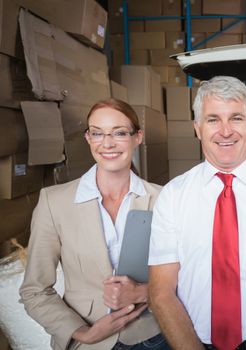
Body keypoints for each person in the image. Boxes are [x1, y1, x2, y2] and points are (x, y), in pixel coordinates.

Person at [148, 76, 246, 350]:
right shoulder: (173, 196)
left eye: (236, 118)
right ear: (197, 128)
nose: (225, 131)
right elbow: (161, 292)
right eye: (213, 119)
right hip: (191, 342)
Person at [20, 98, 170, 350]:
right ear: (88, 138)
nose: (107, 143)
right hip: (88, 341)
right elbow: (34, 290)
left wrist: (143, 292)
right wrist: (82, 333)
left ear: (138, 137)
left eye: (119, 133)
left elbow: (190, 277)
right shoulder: (54, 202)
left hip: (151, 336)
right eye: (97, 133)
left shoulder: (164, 199)